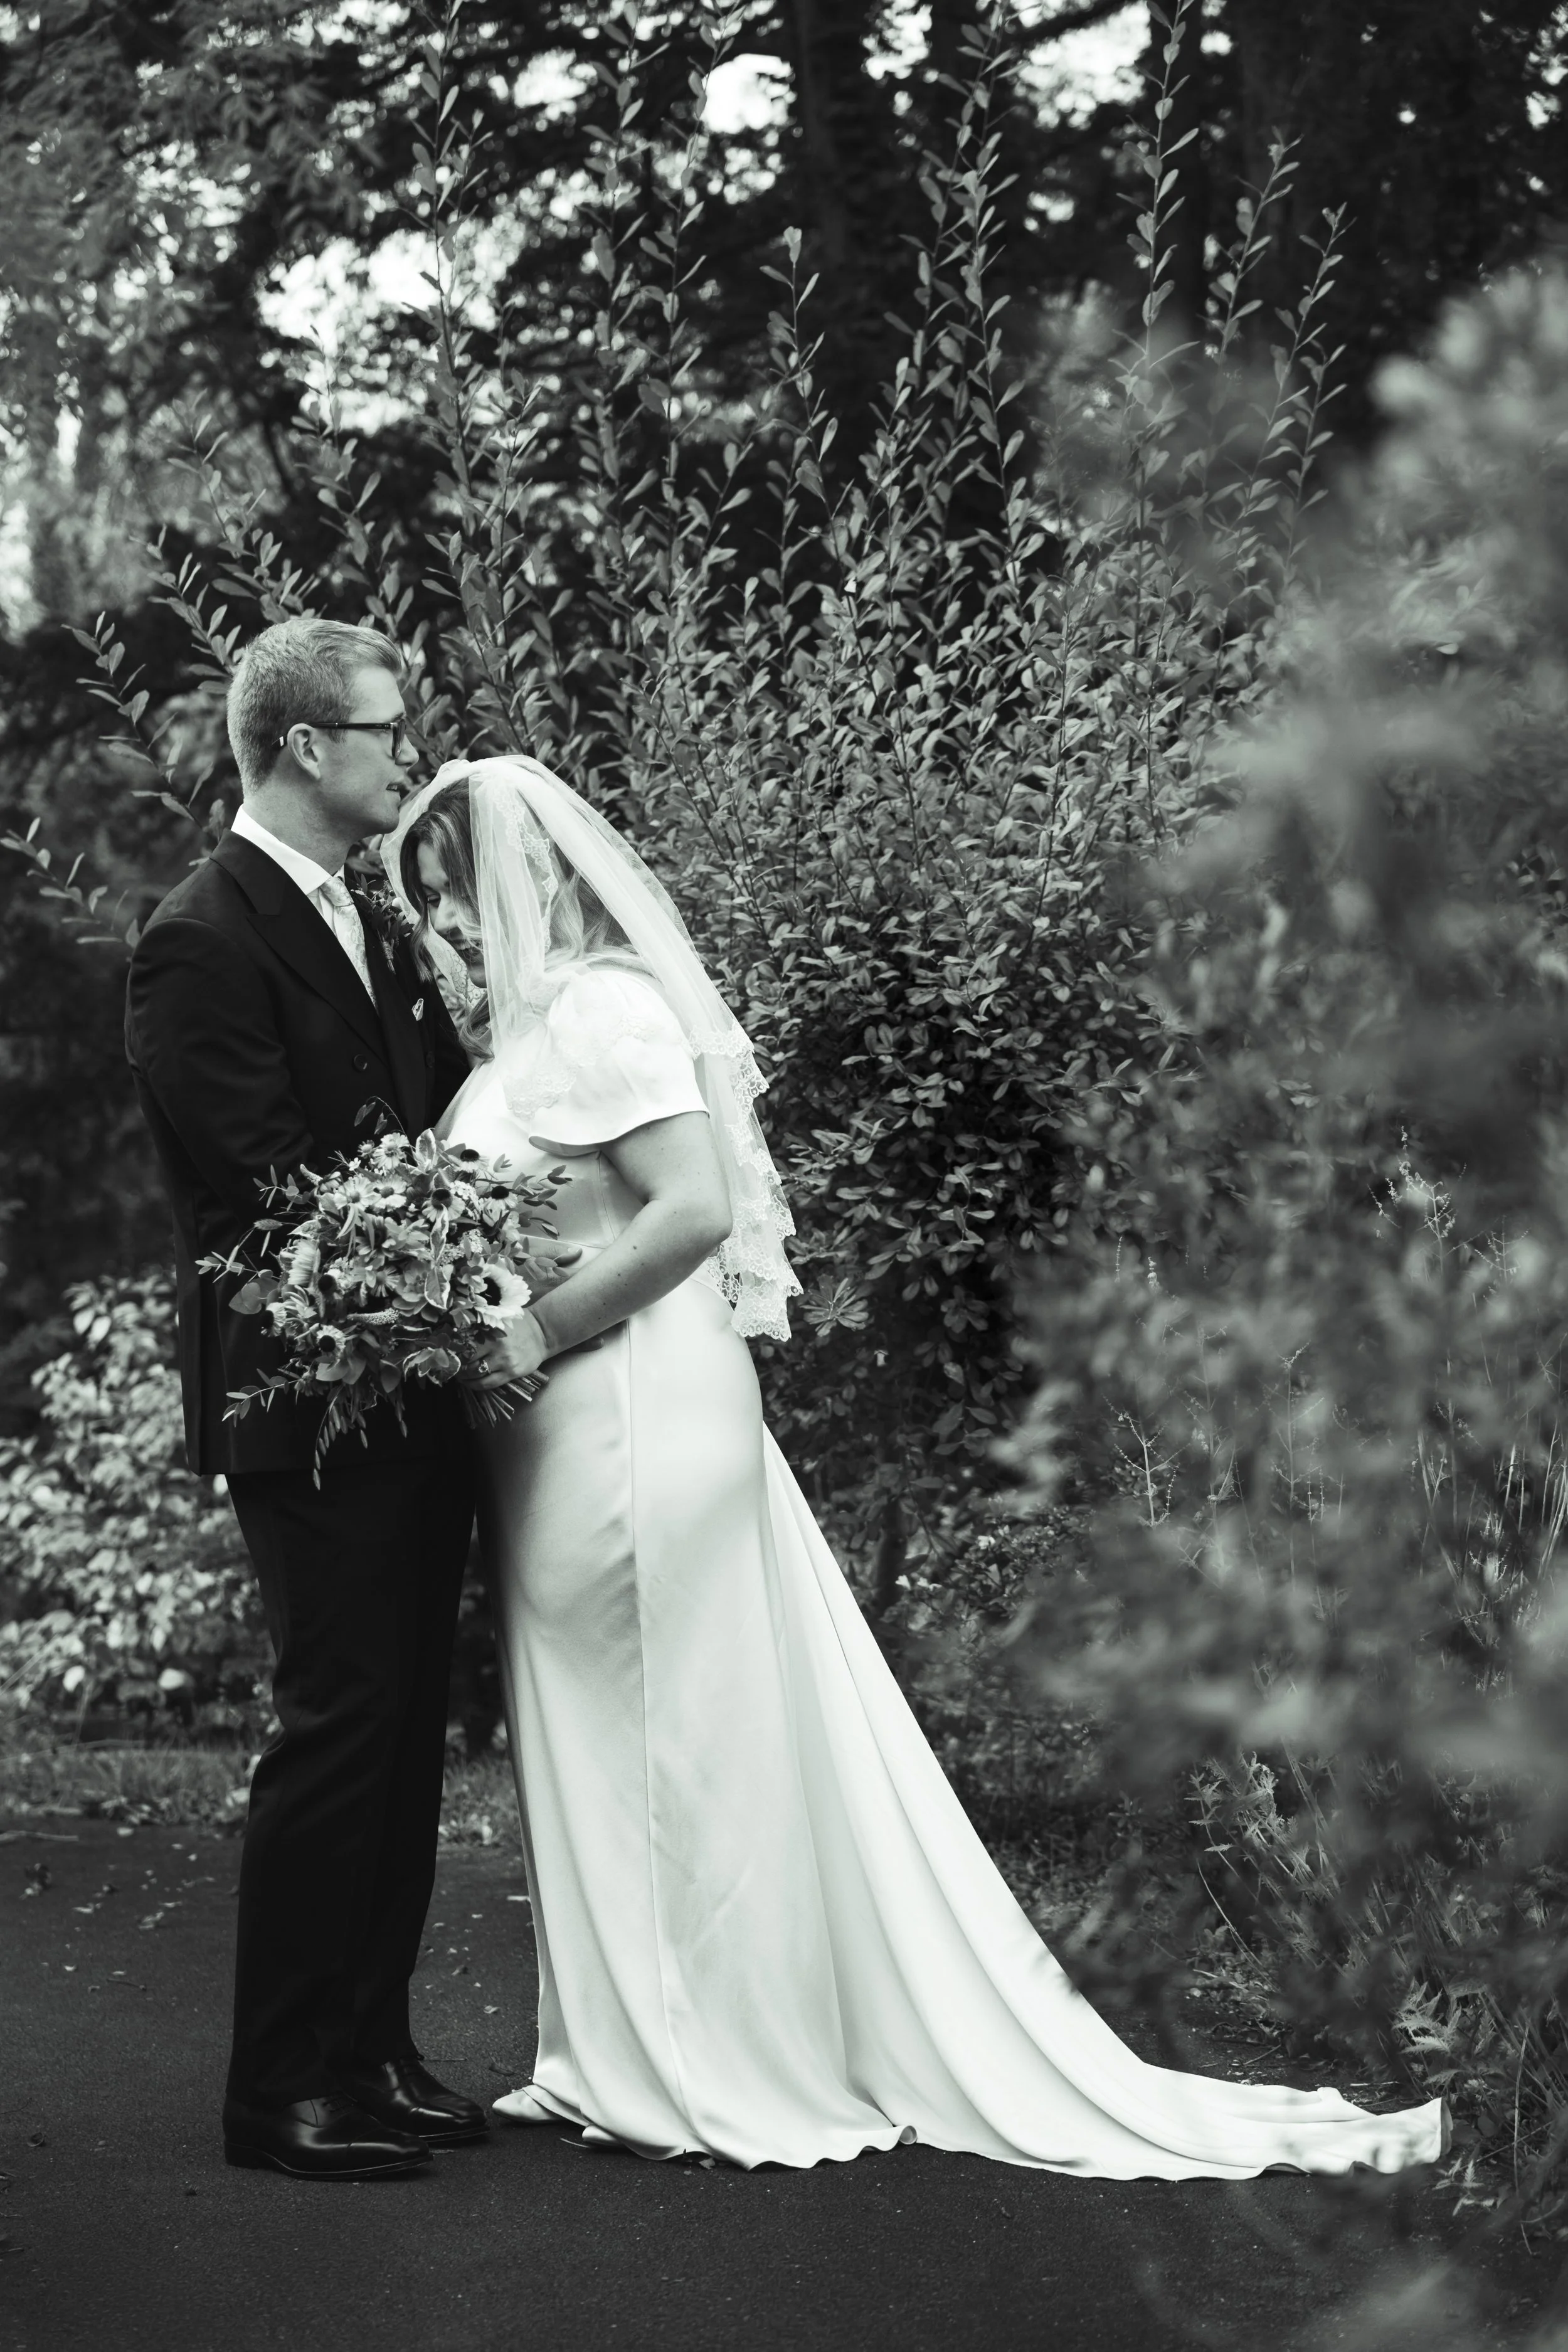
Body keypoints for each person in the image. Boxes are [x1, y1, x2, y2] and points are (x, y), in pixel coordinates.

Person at [384, 755, 1449, 2178]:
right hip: (558, 1431)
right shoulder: (520, 1043)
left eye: (448, 898)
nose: (441, 933)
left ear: (516, 881)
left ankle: (708, 2071)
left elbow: (693, 1209)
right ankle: (612, 2054)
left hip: (631, 1409)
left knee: (675, 1737)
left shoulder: (603, 1011)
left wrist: (533, 1324)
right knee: (599, 1729)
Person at [126, 620, 490, 2181]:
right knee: (338, 1723)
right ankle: (277, 2090)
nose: (405, 756)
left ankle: (371, 2048)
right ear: (304, 750)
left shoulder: (378, 919)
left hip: (413, 1391)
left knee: (406, 1728)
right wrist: (449, 1279)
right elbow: (265, 1188)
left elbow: (420, 1136)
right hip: (305, 1394)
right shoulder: (199, 935)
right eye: (387, 732)